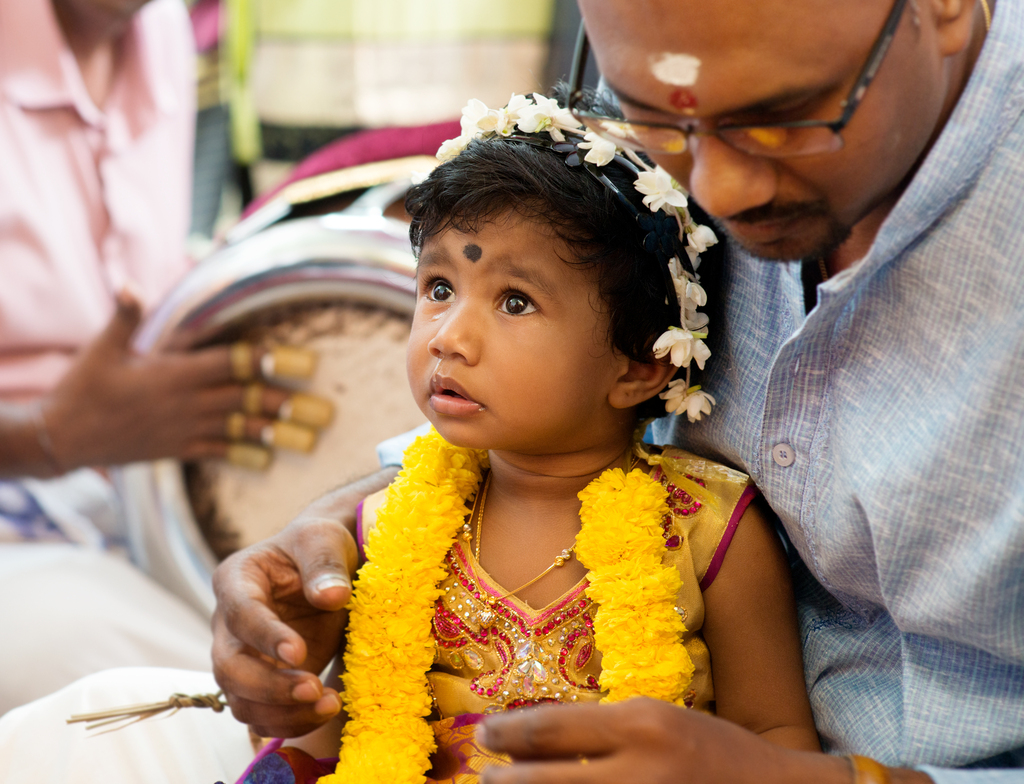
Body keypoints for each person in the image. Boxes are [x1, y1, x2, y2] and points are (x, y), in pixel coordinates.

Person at [210, 0, 1024, 781]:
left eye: (784, 119)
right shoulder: (673, 85)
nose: (721, 194)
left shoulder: (709, 533)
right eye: (662, 125)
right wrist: (324, 539)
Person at [228, 91, 819, 783]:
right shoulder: (390, 525)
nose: (449, 337)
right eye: (439, 286)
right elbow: (349, 727)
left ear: (639, 364)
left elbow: (773, 733)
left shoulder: (708, 530)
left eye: (515, 302)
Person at [0, 0, 324, 713]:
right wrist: (46, 432)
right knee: (229, 703)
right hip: (25, 510)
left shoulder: (158, 29)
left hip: (118, 493)